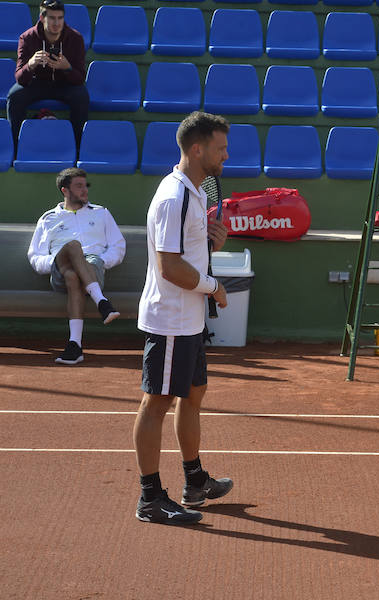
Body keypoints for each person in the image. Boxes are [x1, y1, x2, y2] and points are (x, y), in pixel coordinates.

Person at [132, 111, 231, 525]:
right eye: (221, 148)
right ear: (197, 148)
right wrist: (213, 286)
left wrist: (210, 243)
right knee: (157, 403)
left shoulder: (195, 192)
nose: (226, 155)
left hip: (189, 319)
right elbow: (169, 267)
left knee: (194, 396)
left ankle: (195, 481)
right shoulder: (175, 197)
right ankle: (151, 497)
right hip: (171, 319)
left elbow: (186, 254)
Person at [26, 167, 124, 365]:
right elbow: (35, 256)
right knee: (73, 247)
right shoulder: (48, 218)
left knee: (73, 276)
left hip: (93, 267)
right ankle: (102, 303)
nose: (85, 190)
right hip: (59, 269)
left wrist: (102, 261)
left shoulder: (102, 213)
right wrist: (54, 262)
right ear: (65, 191)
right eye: (79, 186)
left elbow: (118, 246)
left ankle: (75, 345)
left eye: (85, 185)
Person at [7, 0, 89, 149]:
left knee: (81, 96)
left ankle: (77, 147)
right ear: (42, 18)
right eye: (52, 18)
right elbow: (20, 78)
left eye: (60, 18)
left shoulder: (75, 38)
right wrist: (31, 64)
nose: (56, 23)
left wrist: (67, 68)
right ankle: (16, 147)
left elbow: (80, 78)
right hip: (36, 82)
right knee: (15, 95)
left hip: (65, 83)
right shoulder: (27, 38)